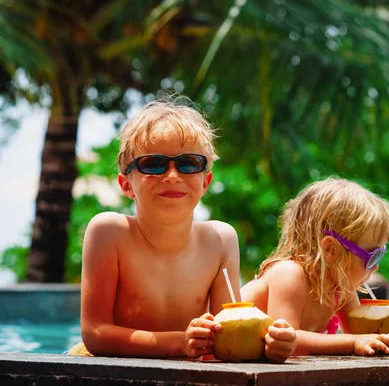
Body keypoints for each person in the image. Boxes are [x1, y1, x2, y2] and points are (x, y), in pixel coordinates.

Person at [69, 99, 297, 362]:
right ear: (126, 184)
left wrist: (271, 346)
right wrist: (179, 342)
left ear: (205, 182)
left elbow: (228, 337)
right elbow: (96, 334)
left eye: (189, 163)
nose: (173, 175)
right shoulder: (110, 232)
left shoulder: (220, 240)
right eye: (153, 164)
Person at [241, 178, 389, 356]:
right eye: (372, 256)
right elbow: (288, 341)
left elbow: (362, 331)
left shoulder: (339, 285)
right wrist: (354, 342)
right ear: (332, 250)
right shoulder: (289, 275)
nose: (375, 268)